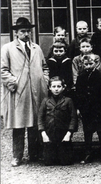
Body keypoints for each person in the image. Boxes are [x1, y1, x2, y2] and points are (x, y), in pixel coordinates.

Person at [1, 17, 49, 166]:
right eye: (23, 31)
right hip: (19, 92)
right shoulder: (8, 48)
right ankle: (17, 156)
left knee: (35, 123)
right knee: (19, 125)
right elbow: (3, 70)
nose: (26, 34)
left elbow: (45, 67)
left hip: (36, 91)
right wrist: (14, 82)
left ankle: (34, 154)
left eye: (28, 31)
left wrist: (44, 80)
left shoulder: (36, 48)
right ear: (16, 33)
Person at [75, 54, 101, 164]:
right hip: (86, 108)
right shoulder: (81, 77)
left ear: (95, 63)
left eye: (91, 64)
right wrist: (79, 108)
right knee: (87, 131)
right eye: (86, 64)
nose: (88, 66)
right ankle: (88, 153)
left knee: (100, 131)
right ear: (82, 65)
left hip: (98, 108)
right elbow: (78, 94)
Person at [38, 76, 77, 166]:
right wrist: (43, 134)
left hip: (63, 136)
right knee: (49, 162)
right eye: (54, 87)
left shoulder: (68, 101)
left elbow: (73, 118)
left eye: (59, 86)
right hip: (49, 135)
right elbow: (40, 118)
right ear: (49, 88)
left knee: (65, 162)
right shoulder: (45, 101)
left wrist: (68, 134)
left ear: (63, 87)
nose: (56, 89)